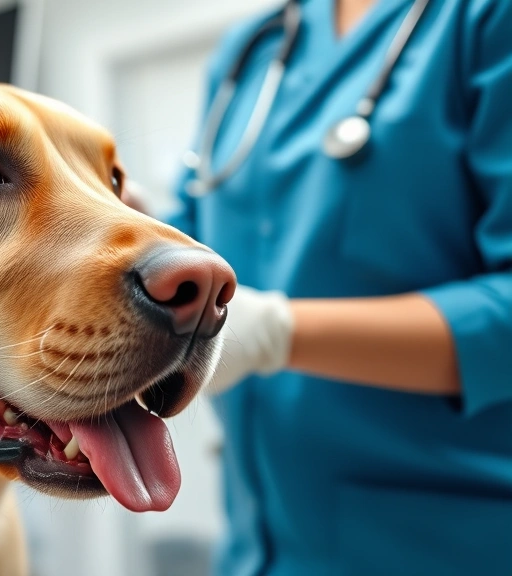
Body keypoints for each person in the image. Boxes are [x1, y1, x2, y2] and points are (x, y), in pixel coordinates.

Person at [124, 0, 512, 574]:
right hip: (257, 545)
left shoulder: (482, 22)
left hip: (442, 543)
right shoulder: (252, 48)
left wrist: (279, 334)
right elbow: (195, 232)